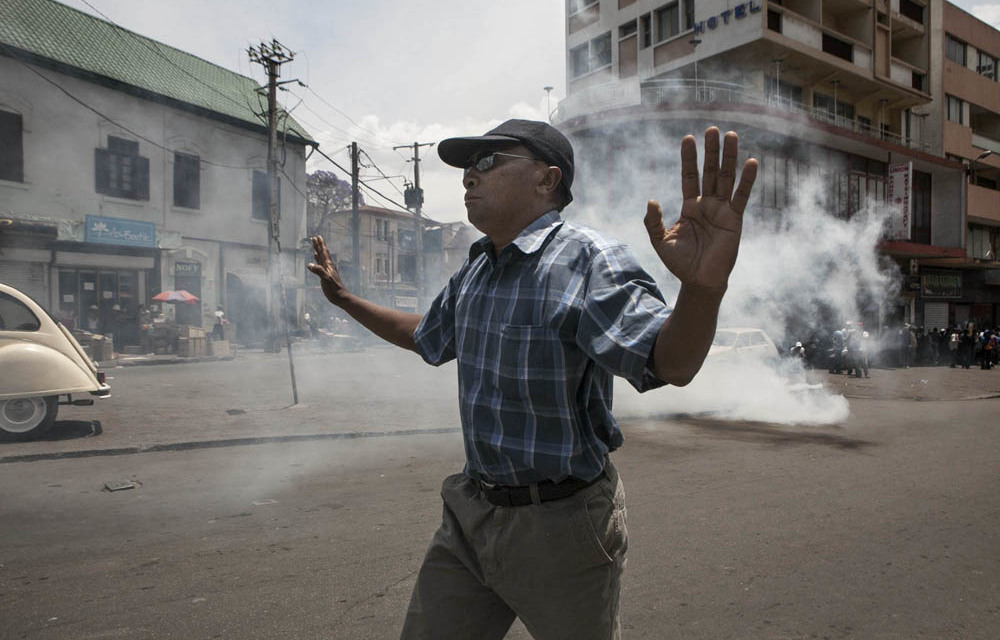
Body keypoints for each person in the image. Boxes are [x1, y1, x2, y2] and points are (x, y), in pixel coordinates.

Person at [308, 119, 757, 639]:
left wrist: (703, 289)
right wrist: (344, 301)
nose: (468, 178)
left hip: (562, 523)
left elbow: (671, 364)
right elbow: (426, 335)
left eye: (486, 161)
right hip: (471, 514)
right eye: (466, 168)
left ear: (547, 180)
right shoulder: (477, 267)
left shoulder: (591, 259)